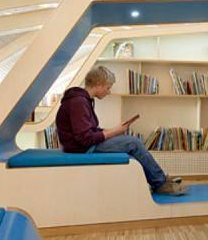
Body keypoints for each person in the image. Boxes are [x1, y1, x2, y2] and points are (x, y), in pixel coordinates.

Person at [55, 65, 185, 195]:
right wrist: (115, 131)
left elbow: (90, 130)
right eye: (108, 87)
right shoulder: (79, 102)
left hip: (83, 145)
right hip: (82, 148)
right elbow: (85, 138)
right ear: (98, 84)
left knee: (130, 141)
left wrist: (115, 130)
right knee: (134, 143)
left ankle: (160, 179)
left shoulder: (83, 100)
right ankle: (160, 183)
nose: (109, 91)